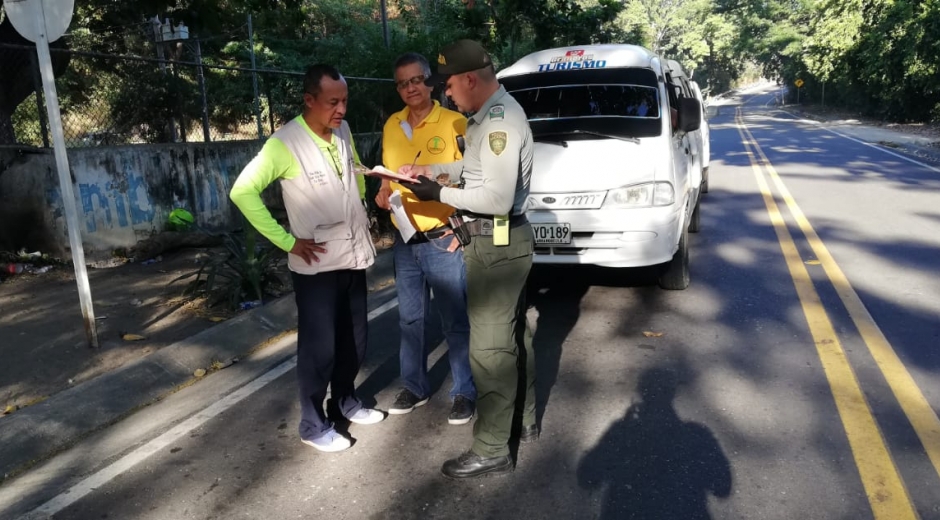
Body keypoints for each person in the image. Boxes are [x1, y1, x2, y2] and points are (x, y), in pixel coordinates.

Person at [230, 64, 384, 453]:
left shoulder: (343, 132)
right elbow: (242, 192)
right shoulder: (285, 143)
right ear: (309, 100)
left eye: (345, 101)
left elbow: (354, 173)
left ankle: (345, 403)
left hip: (352, 256)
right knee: (321, 349)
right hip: (315, 267)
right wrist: (286, 241)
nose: (341, 110)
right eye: (333, 102)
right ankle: (313, 425)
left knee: (355, 341)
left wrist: (364, 200)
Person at [402, 40, 537, 479]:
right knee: (514, 337)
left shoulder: (499, 121)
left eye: (449, 84)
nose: (446, 93)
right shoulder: (489, 118)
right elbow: (478, 171)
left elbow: (496, 198)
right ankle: (525, 419)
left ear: (471, 80)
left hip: (497, 244)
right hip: (500, 243)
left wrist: (437, 193)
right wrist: (433, 171)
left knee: (490, 351)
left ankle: (493, 447)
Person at [374, 53, 476, 425]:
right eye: (403, 83)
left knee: (455, 320)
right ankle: (415, 386)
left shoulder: (454, 122)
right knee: (410, 320)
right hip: (405, 237)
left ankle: (465, 391)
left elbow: (472, 176)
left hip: (443, 236)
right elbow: (387, 174)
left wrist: (461, 227)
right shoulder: (392, 125)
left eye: (416, 80)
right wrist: (383, 190)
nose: (410, 88)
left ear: (430, 82)